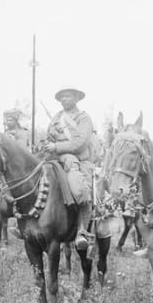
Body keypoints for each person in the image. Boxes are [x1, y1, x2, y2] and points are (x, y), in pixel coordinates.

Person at [43, 86, 94, 250]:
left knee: (79, 189)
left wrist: (56, 145)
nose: (65, 99)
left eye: (69, 96)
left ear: (77, 98)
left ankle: (82, 231)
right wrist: (47, 145)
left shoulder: (84, 118)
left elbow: (80, 143)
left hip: (78, 160)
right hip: (55, 158)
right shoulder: (57, 118)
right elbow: (48, 137)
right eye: (62, 97)